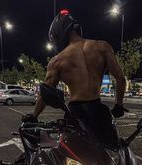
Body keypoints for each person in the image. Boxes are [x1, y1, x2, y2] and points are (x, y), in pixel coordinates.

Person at [27, 9, 128, 147]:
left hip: (76, 114)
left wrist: (33, 116)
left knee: (73, 155)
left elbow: (46, 93)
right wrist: (119, 105)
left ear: (58, 35)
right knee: (112, 152)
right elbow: (120, 78)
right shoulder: (102, 47)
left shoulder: (57, 61)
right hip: (99, 111)